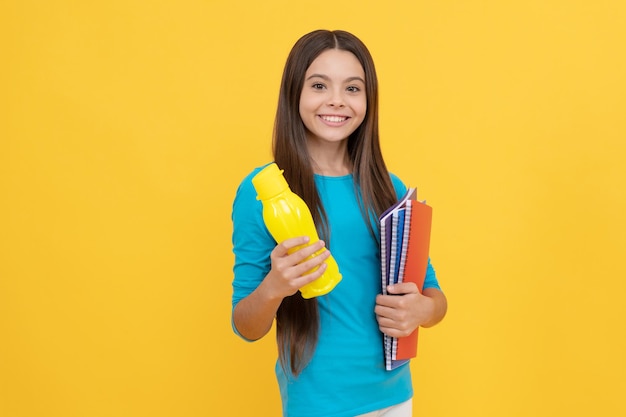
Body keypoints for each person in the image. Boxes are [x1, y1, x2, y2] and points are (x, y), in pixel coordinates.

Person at [231, 29, 447, 417]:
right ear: (294, 93)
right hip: (319, 404)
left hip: (395, 397)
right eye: (319, 85)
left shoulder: (388, 187)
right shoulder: (264, 191)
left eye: (352, 88)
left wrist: (422, 311)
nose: (336, 101)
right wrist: (274, 287)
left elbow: (432, 293)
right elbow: (246, 325)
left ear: (368, 99)